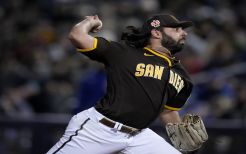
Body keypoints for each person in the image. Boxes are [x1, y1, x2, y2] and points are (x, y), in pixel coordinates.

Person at [47, 14, 201, 154]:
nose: (184, 33)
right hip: (99, 129)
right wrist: (90, 21)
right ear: (156, 33)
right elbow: (76, 35)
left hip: (139, 136)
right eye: (177, 29)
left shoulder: (182, 75)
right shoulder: (124, 53)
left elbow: (167, 112)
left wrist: (184, 142)